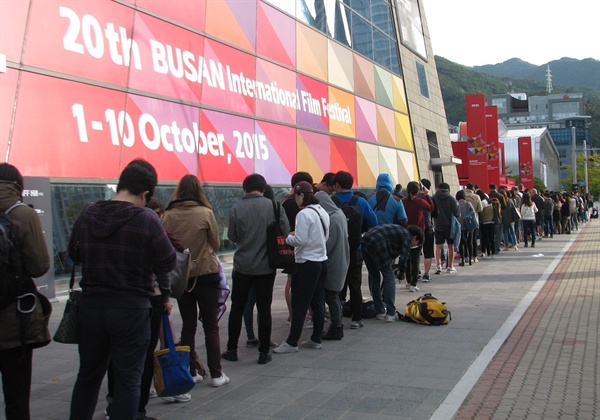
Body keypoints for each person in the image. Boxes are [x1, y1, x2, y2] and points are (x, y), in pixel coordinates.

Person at [68, 159, 176, 420]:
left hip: (91, 308)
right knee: (129, 379)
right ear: (145, 194)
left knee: (88, 376)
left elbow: (73, 253)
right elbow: (168, 260)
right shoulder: (146, 219)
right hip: (131, 308)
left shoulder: (87, 213)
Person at [162, 174, 229, 389]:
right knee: (211, 325)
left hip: (182, 277)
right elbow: (216, 243)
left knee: (188, 326)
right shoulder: (206, 213)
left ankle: (191, 371)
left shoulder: (168, 215)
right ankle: (217, 374)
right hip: (206, 274)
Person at [0, 163, 50, 420]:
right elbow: (40, 265)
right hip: (13, 319)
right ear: (19, 185)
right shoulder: (22, 214)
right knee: (16, 397)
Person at [223, 174, 289, 365]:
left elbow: (234, 237)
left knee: (237, 307)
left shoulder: (236, 208)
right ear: (263, 187)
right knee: (264, 308)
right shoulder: (275, 207)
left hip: (242, 266)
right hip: (266, 267)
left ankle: (232, 349)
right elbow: (285, 233)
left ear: (245, 188)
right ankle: (263, 352)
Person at [273, 181, 330, 353]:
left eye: (296, 196)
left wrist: (287, 237)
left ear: (302, 195)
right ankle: (316, 338)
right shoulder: (322, 211)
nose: (295, 200)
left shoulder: (304, 214)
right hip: (321, 260)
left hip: (306, 263)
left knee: (299, 303)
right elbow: (324, 236)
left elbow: (300, 240)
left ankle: (292, 342)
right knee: (318, 302)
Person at [331, 171, 377, 329]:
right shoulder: (361, 202)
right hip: (356, 249)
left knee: (336, 284)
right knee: (355, 285)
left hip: (336, 249)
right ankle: (356, 319)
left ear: (336, 185)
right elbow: (374, 221)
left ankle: (337, 318)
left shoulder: (331, 201)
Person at [362, 224, 424, 322]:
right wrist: (401, 272)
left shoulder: (399, 231)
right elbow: (404, 257)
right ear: (415, 237)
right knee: (389, 278)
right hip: (378, 243)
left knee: (374, 277)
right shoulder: (407, 236)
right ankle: (391, 313)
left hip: (366, 241)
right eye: (416, 244)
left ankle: (380, 310)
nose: (413, 246)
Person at [316, 191, 349, 340]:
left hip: (333, 262)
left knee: (331, 295)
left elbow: (329, 243)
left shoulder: (333, 218)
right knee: (333, 295)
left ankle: (336, 326)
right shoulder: (339, 214)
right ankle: (336, 325)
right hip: (341, 259)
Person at [281, 172, 313, 326]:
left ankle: (292, 314)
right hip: (296, 244)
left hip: (289, 245)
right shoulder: (297, 203)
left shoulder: (286, 201)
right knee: (294, 282)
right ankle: (296, 315)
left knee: (291, 280)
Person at [402, 181, 434, 291]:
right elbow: (431, 207)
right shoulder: (420, 202)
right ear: (417, 191)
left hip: (405, 233)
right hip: (418, 234)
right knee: (415, 259)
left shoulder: (402, 201)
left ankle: (408, 280)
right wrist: (427, 195)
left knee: (407, 258)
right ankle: (413, 284)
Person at [432, 182, 460, 274]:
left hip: (437, 225)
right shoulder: (451, 199)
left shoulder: (434, 198)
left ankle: (438, 265)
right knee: (450, 246)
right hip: (449, 226)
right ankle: (450, 266)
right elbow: (456, 213)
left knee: (438, 246)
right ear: (448, 189)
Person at [418, 179, 437, 281]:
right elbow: (435, 212)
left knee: (415, 251)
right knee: (428, 252)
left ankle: (415, 271)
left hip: (416, 228)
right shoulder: (429, 199)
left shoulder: (414, 198)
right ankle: (426, 274)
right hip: (428, 227)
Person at [464, 183, 483, 263]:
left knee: (465, 239)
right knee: (473, 239)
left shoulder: (462, 195)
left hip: (463, 219)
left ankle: (466, 256)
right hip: (473, 219)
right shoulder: (476, 197)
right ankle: (474, 256)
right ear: (473, 189)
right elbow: (480, 209)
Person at [455, 190, 475, 266]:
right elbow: (473, 213)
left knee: (461, 244)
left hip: (459, 226)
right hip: (468, 226)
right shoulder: (468, 204)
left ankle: (462, 259)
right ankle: (470, 259)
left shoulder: (456, 204)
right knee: (470, 243)